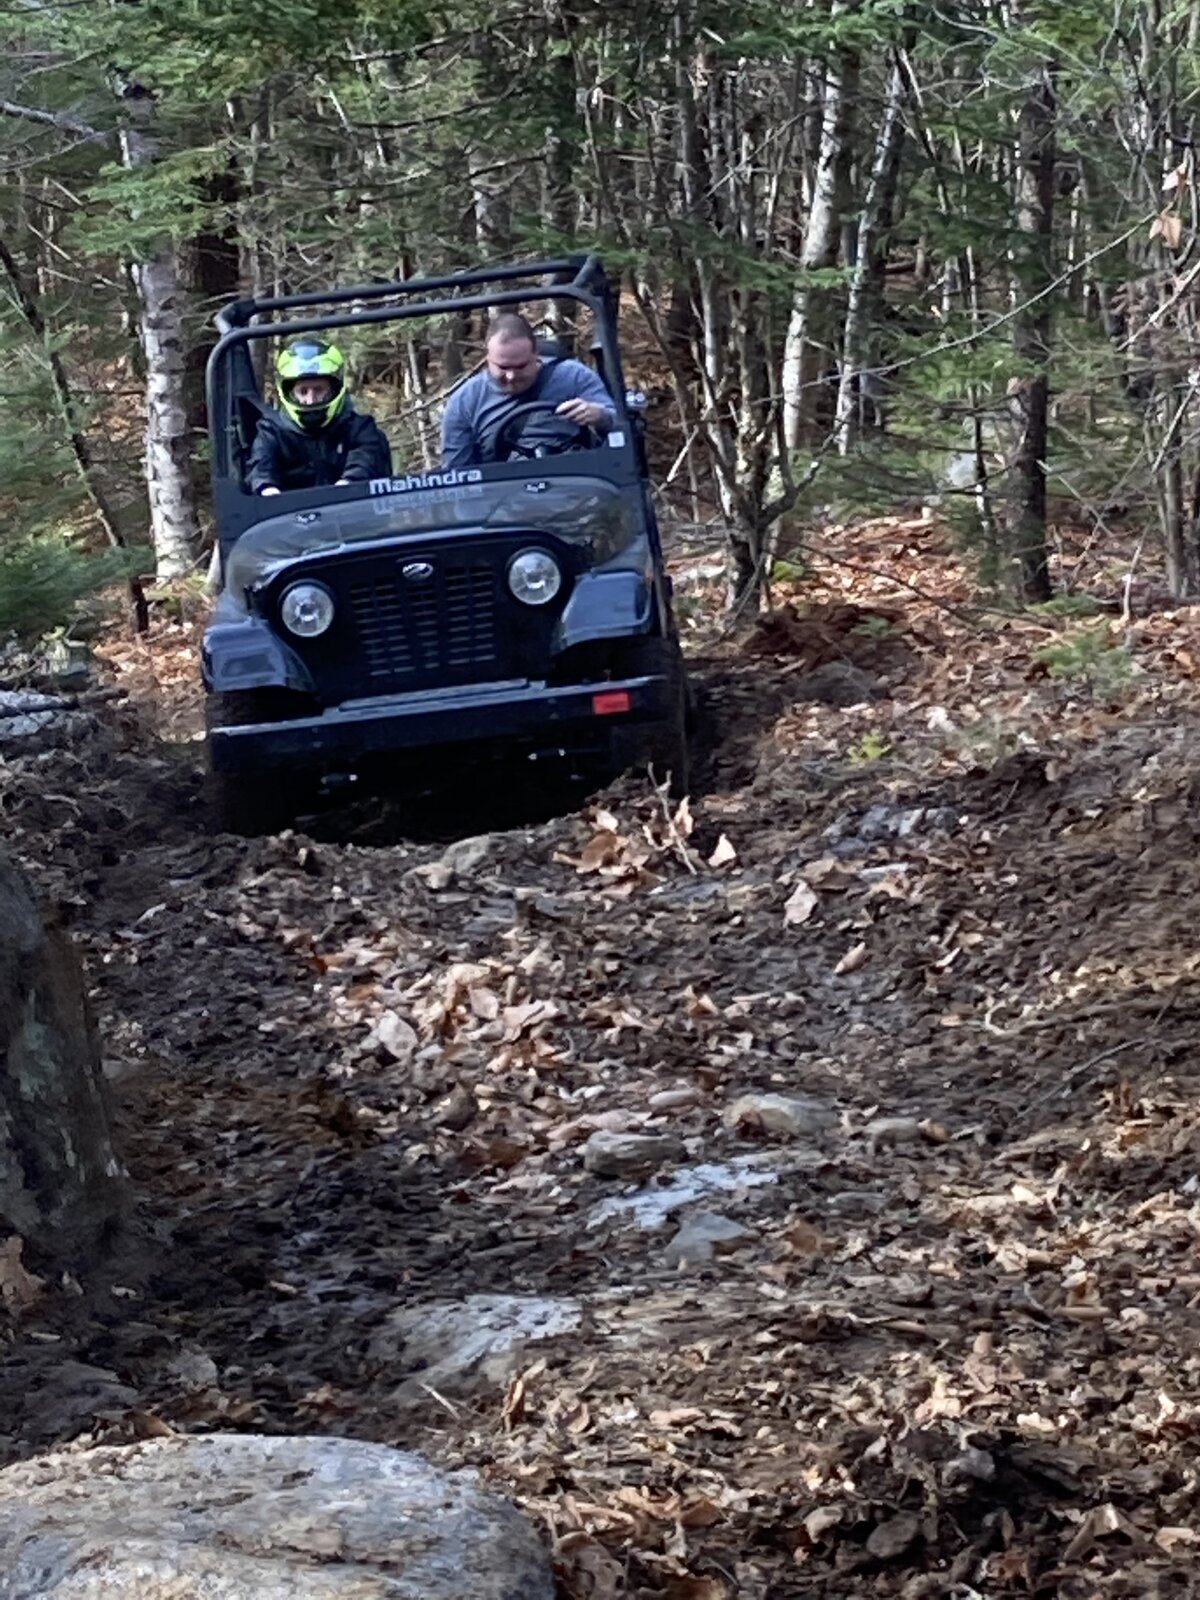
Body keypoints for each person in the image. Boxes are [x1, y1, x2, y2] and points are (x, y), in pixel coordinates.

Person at [441, 312, 616, 467]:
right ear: (488, 358)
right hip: (503, 487)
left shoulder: (574, 376)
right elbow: (457, 471)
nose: (511, 376)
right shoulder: (465, 401)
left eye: (520, 366)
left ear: (536, 355)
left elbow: (619, 424)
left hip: (575, 479)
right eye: (503, 367)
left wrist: (599, 416)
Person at [248, 338, 392, 496]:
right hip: (290, 510)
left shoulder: (359, 428)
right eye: (303, 391)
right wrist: (268, 490)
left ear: (333, 389)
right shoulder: (271, 433)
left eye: (318, 390)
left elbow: (365, 459)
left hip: (353, 507)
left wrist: (348, 484)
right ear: (289, 392)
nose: (310, 399)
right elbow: (261, 468)